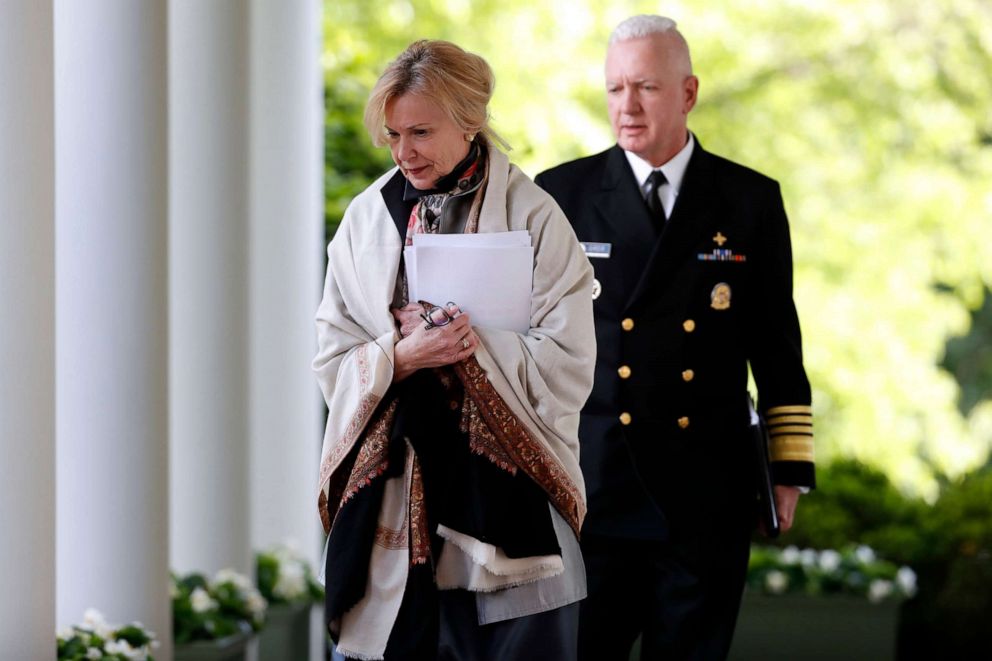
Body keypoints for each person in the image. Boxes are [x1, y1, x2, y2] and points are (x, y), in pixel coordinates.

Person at [535, 15, 815, 660]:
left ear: (688, 93)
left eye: (646, 88)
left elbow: (777, 343)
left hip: (705, 490)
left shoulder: (748, 200)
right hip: (591, 487)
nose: (626, 107)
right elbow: (528, 344)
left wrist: (789, 469)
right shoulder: (559, 195)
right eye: (614, 89)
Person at [313, 39, 595, 661]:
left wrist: (466, 343)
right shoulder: (365, 220)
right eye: (391, 134)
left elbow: (570, 364)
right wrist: (404, 353)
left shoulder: (537, 218)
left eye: (420, 131)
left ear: (471, 121)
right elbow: (333, 360)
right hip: (394, 489)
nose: (402, 152)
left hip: (512, 500)